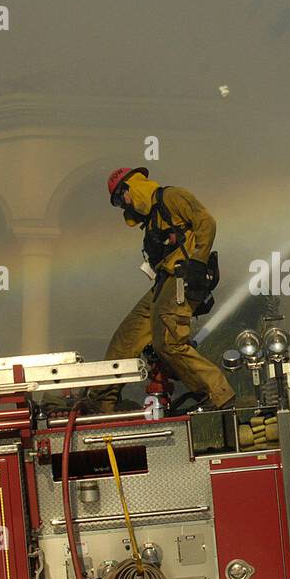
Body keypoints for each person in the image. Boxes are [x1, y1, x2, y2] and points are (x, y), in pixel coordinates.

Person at [92, 167, 235, 413]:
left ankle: (218, 392)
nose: (121, 206)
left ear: (131, 188)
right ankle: (102, 403)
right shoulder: (151, 221)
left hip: (182, 277)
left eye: (119, 198)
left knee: (168, 341)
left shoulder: (172, 197)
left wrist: (198, 264)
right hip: (163, 280)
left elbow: (206, 222)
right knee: (125, 339)